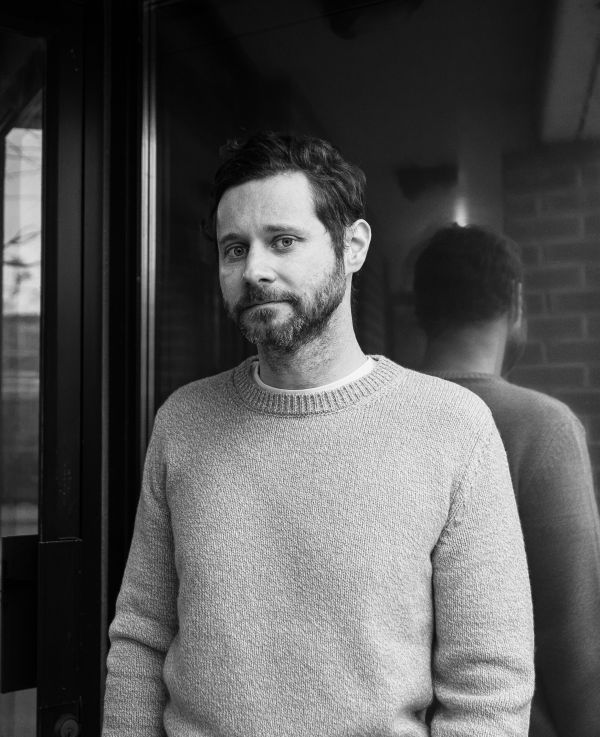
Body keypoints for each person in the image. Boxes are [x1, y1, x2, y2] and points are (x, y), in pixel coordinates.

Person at [102, 133, 534, 736]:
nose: (254, 269)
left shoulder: (452, 426)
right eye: (234, 249)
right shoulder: (183, 420)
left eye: (283, 241)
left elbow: (489, 683)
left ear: (352, 246)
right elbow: (142, 636)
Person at [413, 223, 600, 737]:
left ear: (420, 311)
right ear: (515, 301)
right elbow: (573, 640)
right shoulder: (542, 427)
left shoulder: (372, 419)